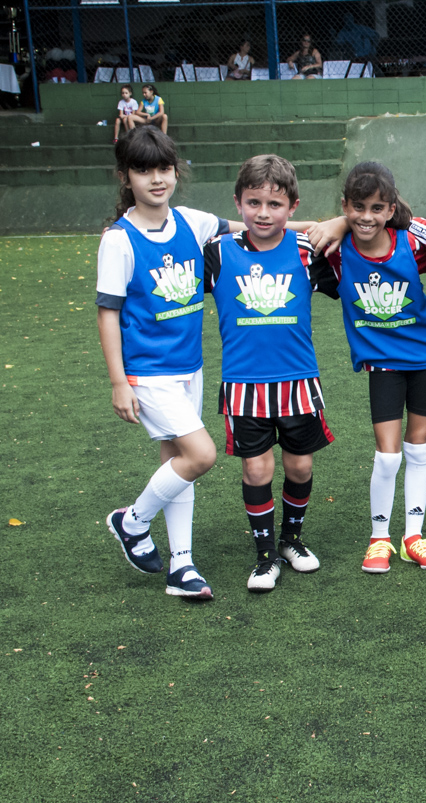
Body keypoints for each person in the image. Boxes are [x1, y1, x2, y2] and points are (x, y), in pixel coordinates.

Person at [97, 127, 229, 600]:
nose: (156, 179)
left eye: (164, 169)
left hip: (189, 367)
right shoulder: (119, 240)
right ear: (124, 176)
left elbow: (258, 227)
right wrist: (118, 382)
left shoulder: (191, 222)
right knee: (201, 455)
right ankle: (131, 522)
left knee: (177, 464)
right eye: (143, 169)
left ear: (176, 172)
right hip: (147, 373)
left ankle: (182, 567)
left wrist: (327, 226)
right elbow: (108, 314)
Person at [202, 155, 334, 592]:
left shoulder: (307, 252)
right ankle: (265, 558)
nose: (263, 213)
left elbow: (354, 241)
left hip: (298, 380)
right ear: (237, 203)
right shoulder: (217, 253)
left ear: (292, 207)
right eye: (253, 202)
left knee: (299, 467)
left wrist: (325, 225)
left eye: (274, 205)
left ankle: (292, 540)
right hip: (243, 385)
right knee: (256, 472)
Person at [323, 163, 426, 573]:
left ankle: (413, 535)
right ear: (344, 206)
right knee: (388, 457)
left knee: (419, 450)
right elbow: (281, 229)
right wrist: (333, 223)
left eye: (377, 208)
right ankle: (379, 539)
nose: (366, 216)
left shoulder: (413, 239)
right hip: (383, 364)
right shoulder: (334, 249)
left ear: (390, 208)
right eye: (357, 207)